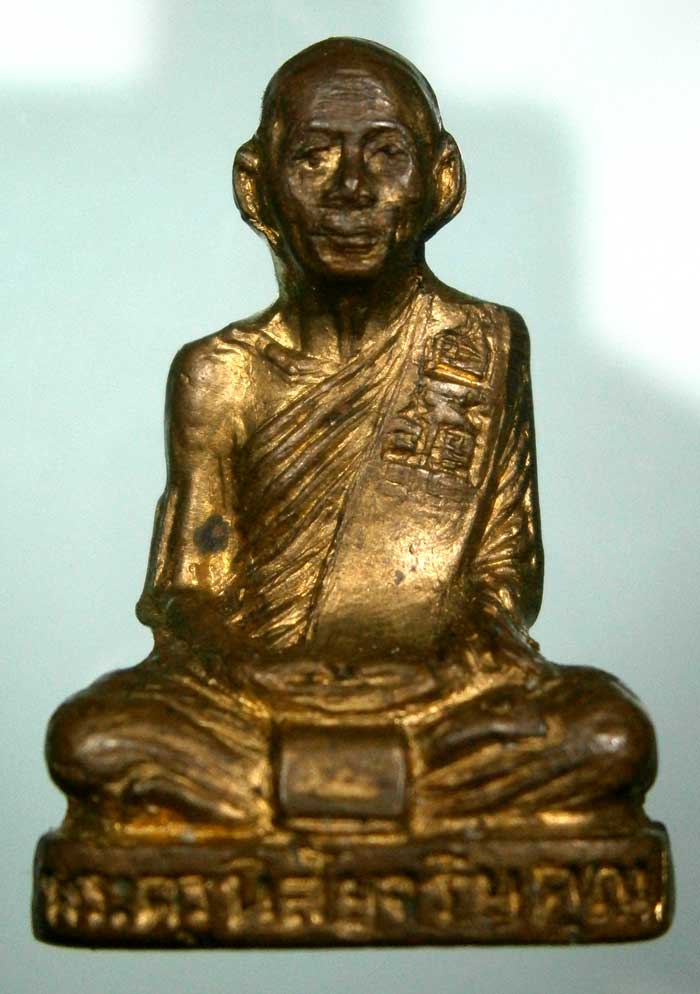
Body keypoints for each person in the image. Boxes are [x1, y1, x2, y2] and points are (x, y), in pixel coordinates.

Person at [46, 38, 656, 838]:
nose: (352, 189)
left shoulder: (482, 344)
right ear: (255, 186)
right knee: (93, 740)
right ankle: (399, 798)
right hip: (260, 694)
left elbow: (503, 576)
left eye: (387, 153)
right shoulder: (219, 373)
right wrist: (265, 677)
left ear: (442, 179)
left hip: (438, 697)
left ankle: (296, 796)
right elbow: (192, 592)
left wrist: (461, 662)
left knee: (608, 736)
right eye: (314, 157)